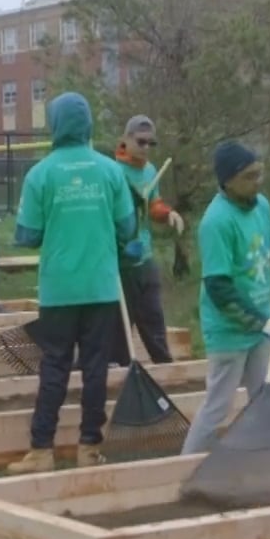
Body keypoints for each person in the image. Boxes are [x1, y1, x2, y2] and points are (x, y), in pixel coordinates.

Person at [8, 93, 136, 474]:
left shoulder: (41, 174)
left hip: (59, 289)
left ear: (55, 124)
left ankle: (42, 449)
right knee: (96, 367)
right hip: (100, 286)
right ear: (89, 125)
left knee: (54, 366)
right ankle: (89, 447)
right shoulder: (111, 171)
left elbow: (27, 235)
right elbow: (128, 229)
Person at [184, 141, 270, 455]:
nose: (257, 182)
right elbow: (219, 289)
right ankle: (184, 465)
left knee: (263, 396)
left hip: (260, 324)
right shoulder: (216, 222)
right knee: (219, 405)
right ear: (227, 181)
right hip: (229, 330)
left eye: (259, 175)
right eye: (249, 177)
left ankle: (269, 457)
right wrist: (261, 322)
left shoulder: (261, 205)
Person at [112, 116, 185, 364]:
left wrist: (168, 214)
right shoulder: (113, 172)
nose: (145, 148)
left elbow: (153, 206)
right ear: (126, 139)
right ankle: (120, 376)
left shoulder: (151, 170)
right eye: (141, 142)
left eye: (150, 144)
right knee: (121, 328)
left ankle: (166, 373)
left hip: (145, 258)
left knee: (154, 318)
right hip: (121, 264)